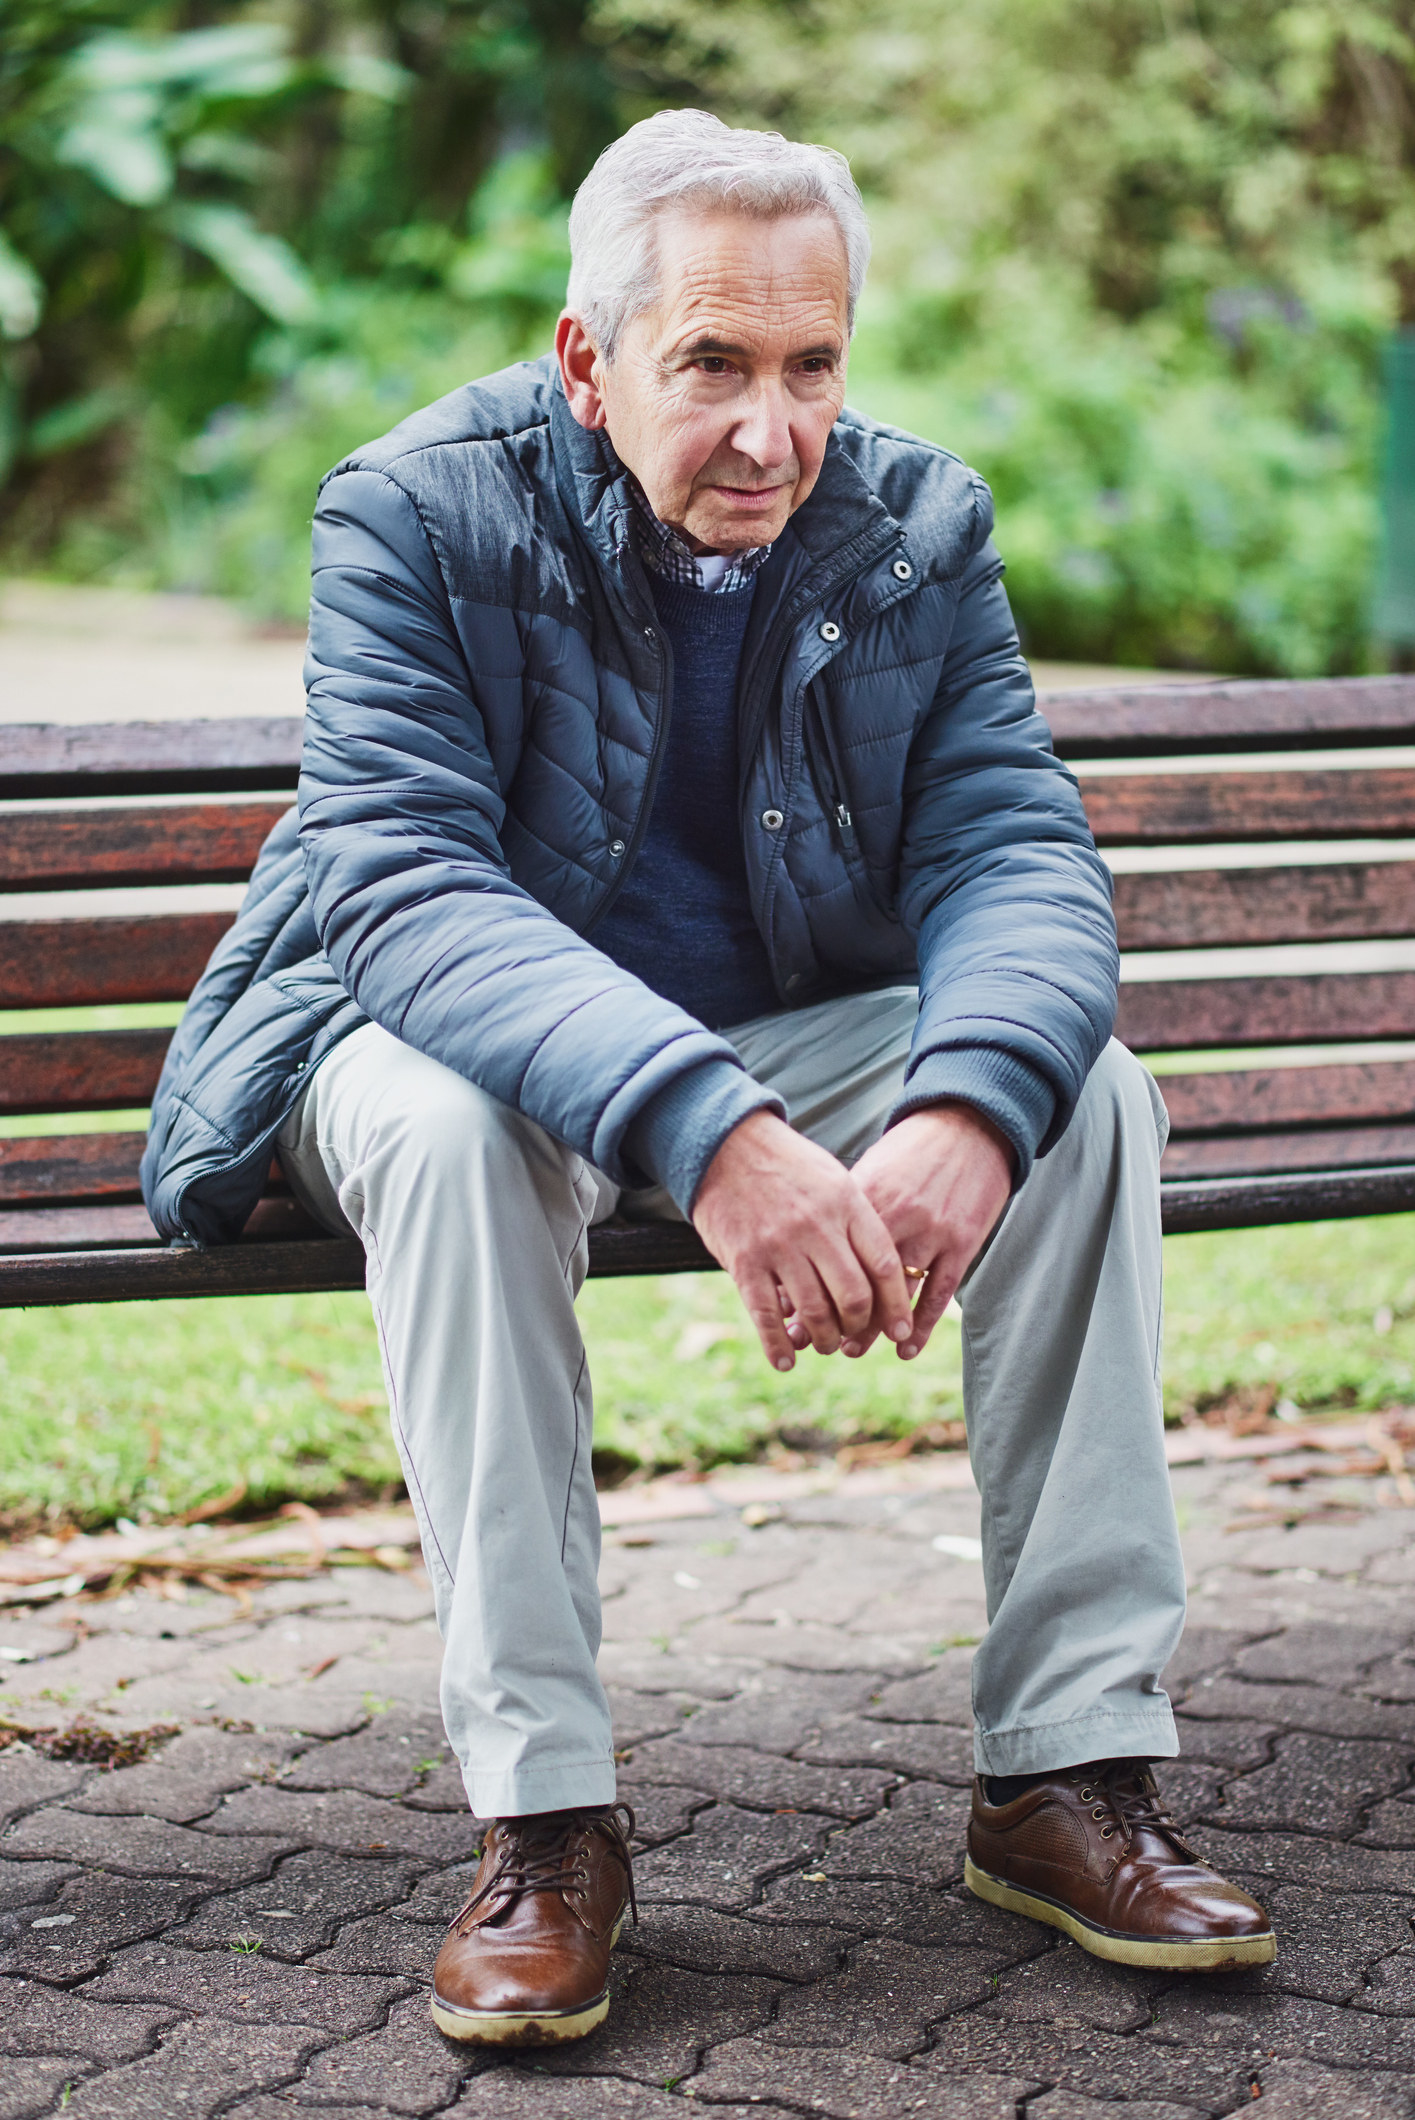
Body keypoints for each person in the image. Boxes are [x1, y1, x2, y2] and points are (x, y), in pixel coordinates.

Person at [142, 107, 1276, 2047]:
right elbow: (406, 900)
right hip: (422, 1037)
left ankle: (1066, 1769)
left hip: (767, 1039)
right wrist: (720, 1134)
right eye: (716, 365)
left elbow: (1015, 855)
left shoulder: (917, 526)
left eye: (813, 363)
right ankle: (547, 1814)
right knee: (443, 1124)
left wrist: (959, 1110)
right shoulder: (411, 512)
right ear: (589, 363)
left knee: (1086, 1098)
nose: (774, 427)